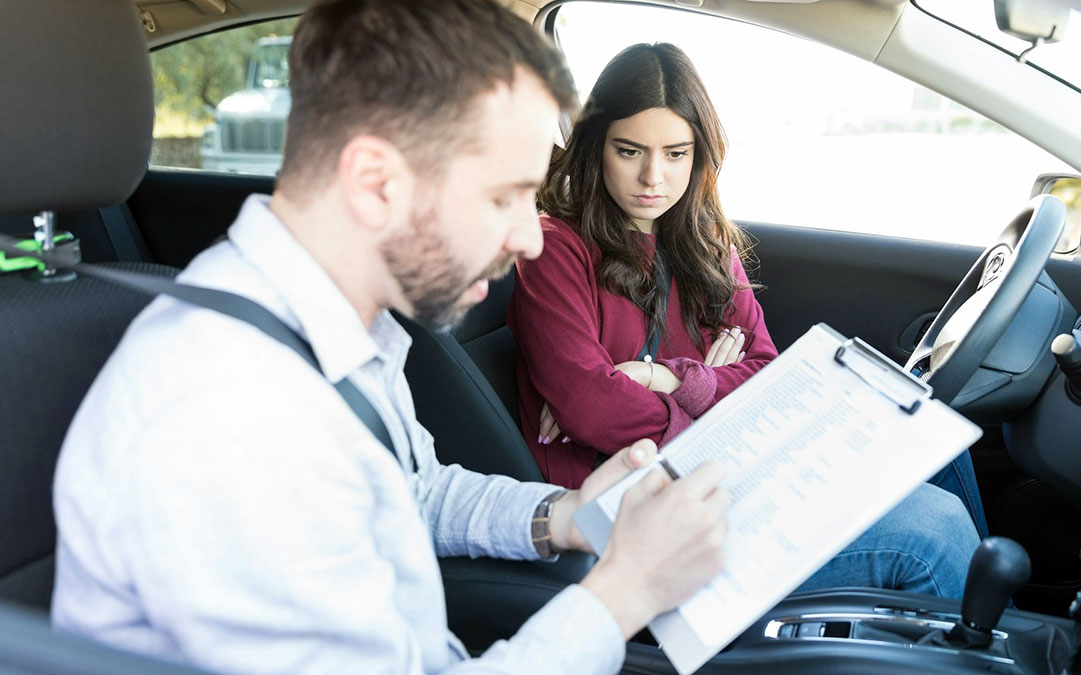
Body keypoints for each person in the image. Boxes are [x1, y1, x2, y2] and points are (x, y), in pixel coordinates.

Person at [51, 2, 732, 674]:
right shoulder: (234, 414)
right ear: (376, 183)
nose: (529, 237)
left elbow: (415, 491)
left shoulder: (333, 325)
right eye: (504, 197)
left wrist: (567, 513)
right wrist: (627, 592)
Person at [508, 42, 984, 596]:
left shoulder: (703, 240)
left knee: (936, 441)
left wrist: (669, 378)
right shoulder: (556, 247)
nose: (652, 178)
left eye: (676, 154)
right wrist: (710, 412)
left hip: (731, 466)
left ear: (699, 154)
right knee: (935, 533)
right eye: (629, 150)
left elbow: (765, 372)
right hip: (640, 502)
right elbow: (592, 406)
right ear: (597, 147)